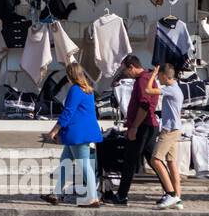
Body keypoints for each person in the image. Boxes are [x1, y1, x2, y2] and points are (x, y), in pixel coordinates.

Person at [42, 61, 103, 207]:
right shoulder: (88, 90)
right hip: (83, 132)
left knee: (84, 165)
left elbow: (68, 112)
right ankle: (57, 193)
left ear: (70, 76)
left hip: (77, 134)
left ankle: (93, 197)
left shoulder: (75, 90)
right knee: (65, 162)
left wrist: (54, 130)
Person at [102, 55, 158, 206]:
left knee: (130, 162)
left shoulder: (142, 80)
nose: (125, 73)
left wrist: (134, 126)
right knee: (154, 161)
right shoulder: (147, 78)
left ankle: (121, 196)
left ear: (131, 67)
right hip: (148, 125)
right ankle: (171, 192)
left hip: (143, 127)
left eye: (125, 70)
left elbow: (144, 106)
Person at [149, 63, 185, 209]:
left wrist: (152, 74)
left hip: (169, 130)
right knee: (171, 162)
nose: (158, 78)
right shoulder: (177, 88)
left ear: (164, 75)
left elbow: (148, 90)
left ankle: (170, 194)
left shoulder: (170, 90)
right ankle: (177, 197)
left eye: (159, 76)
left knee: (155, 160)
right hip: (175, 128)